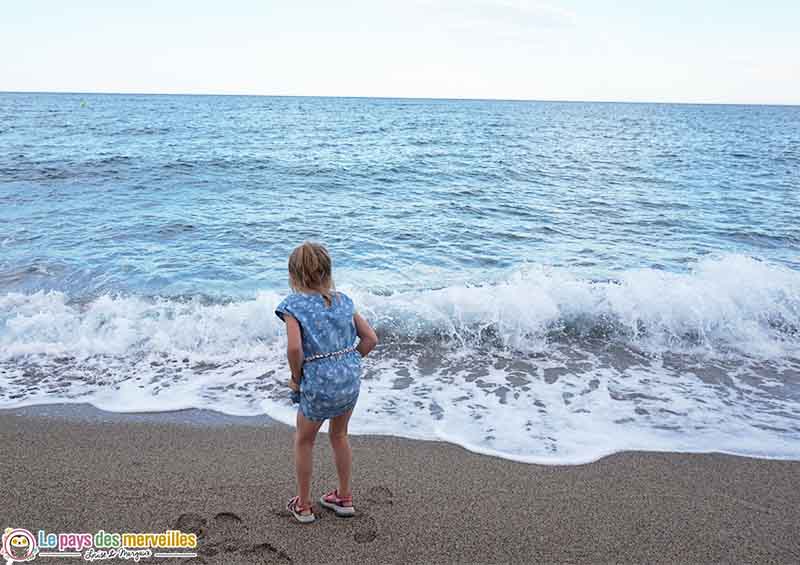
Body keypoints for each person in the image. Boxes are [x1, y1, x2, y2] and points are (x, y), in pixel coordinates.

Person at [275, 242, 378, 524]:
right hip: (349, 379)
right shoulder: (343, 300)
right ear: (328, 272)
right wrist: (350, 361)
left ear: (294, 275)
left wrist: (297, 379)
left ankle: (304, 505)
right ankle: (344, 497)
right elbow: (370, 338)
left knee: (304, 440)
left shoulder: (292, 306)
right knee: (339, 435)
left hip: (319, 383)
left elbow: (295, 349)